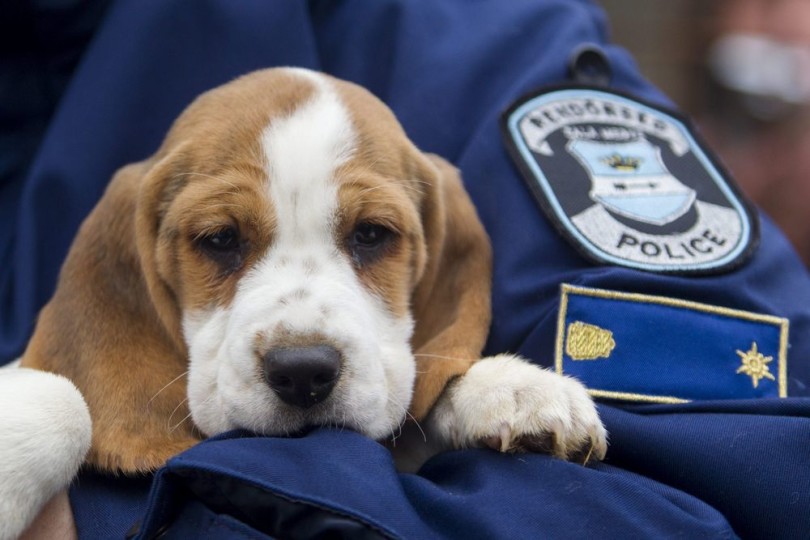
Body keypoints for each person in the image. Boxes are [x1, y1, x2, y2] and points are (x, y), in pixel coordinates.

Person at [2, 0, 808, 538]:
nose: (303, 336)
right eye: (221, 241)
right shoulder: (123, 234)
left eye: (370, 237)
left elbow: (739, 480)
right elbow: (95, 370)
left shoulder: (479, 39)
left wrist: (103, 521)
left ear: (430, 251)